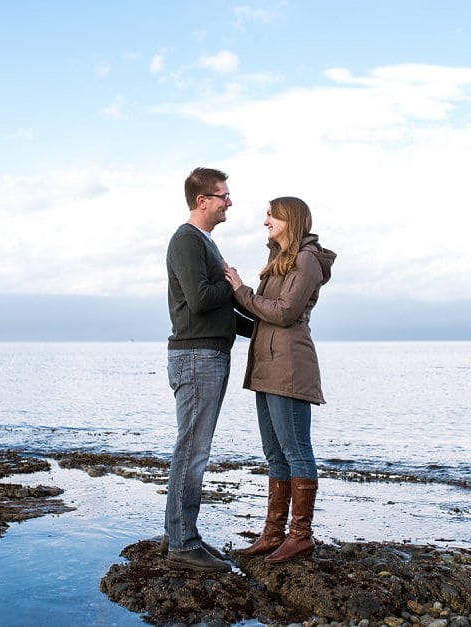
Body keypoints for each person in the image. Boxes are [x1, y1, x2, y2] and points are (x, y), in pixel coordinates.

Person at [224, 196, 336, 563]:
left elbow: (284, 313)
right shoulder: (279, 261)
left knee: (296, 450)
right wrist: (232, 294)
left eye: (271, 215)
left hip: (289, 366)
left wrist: (240, 289)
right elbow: (261, 313)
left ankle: (300, 535)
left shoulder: (306, 259)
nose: (265, 222)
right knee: (275, 454)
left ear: (291, 219)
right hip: (266, 366)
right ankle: (273, 534)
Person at [163, 167, 251, 572]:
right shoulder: (186, 240)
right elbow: (200, 301)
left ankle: (183, 535)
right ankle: (182, 543)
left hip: (208, 353)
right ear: (203, 201)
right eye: (223, 195)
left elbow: (225, 310)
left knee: (195, 449)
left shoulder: (206, 243)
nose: (228, 201)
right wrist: (232, 286)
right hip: (196, 356)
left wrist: (274, 325)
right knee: (193, 452)